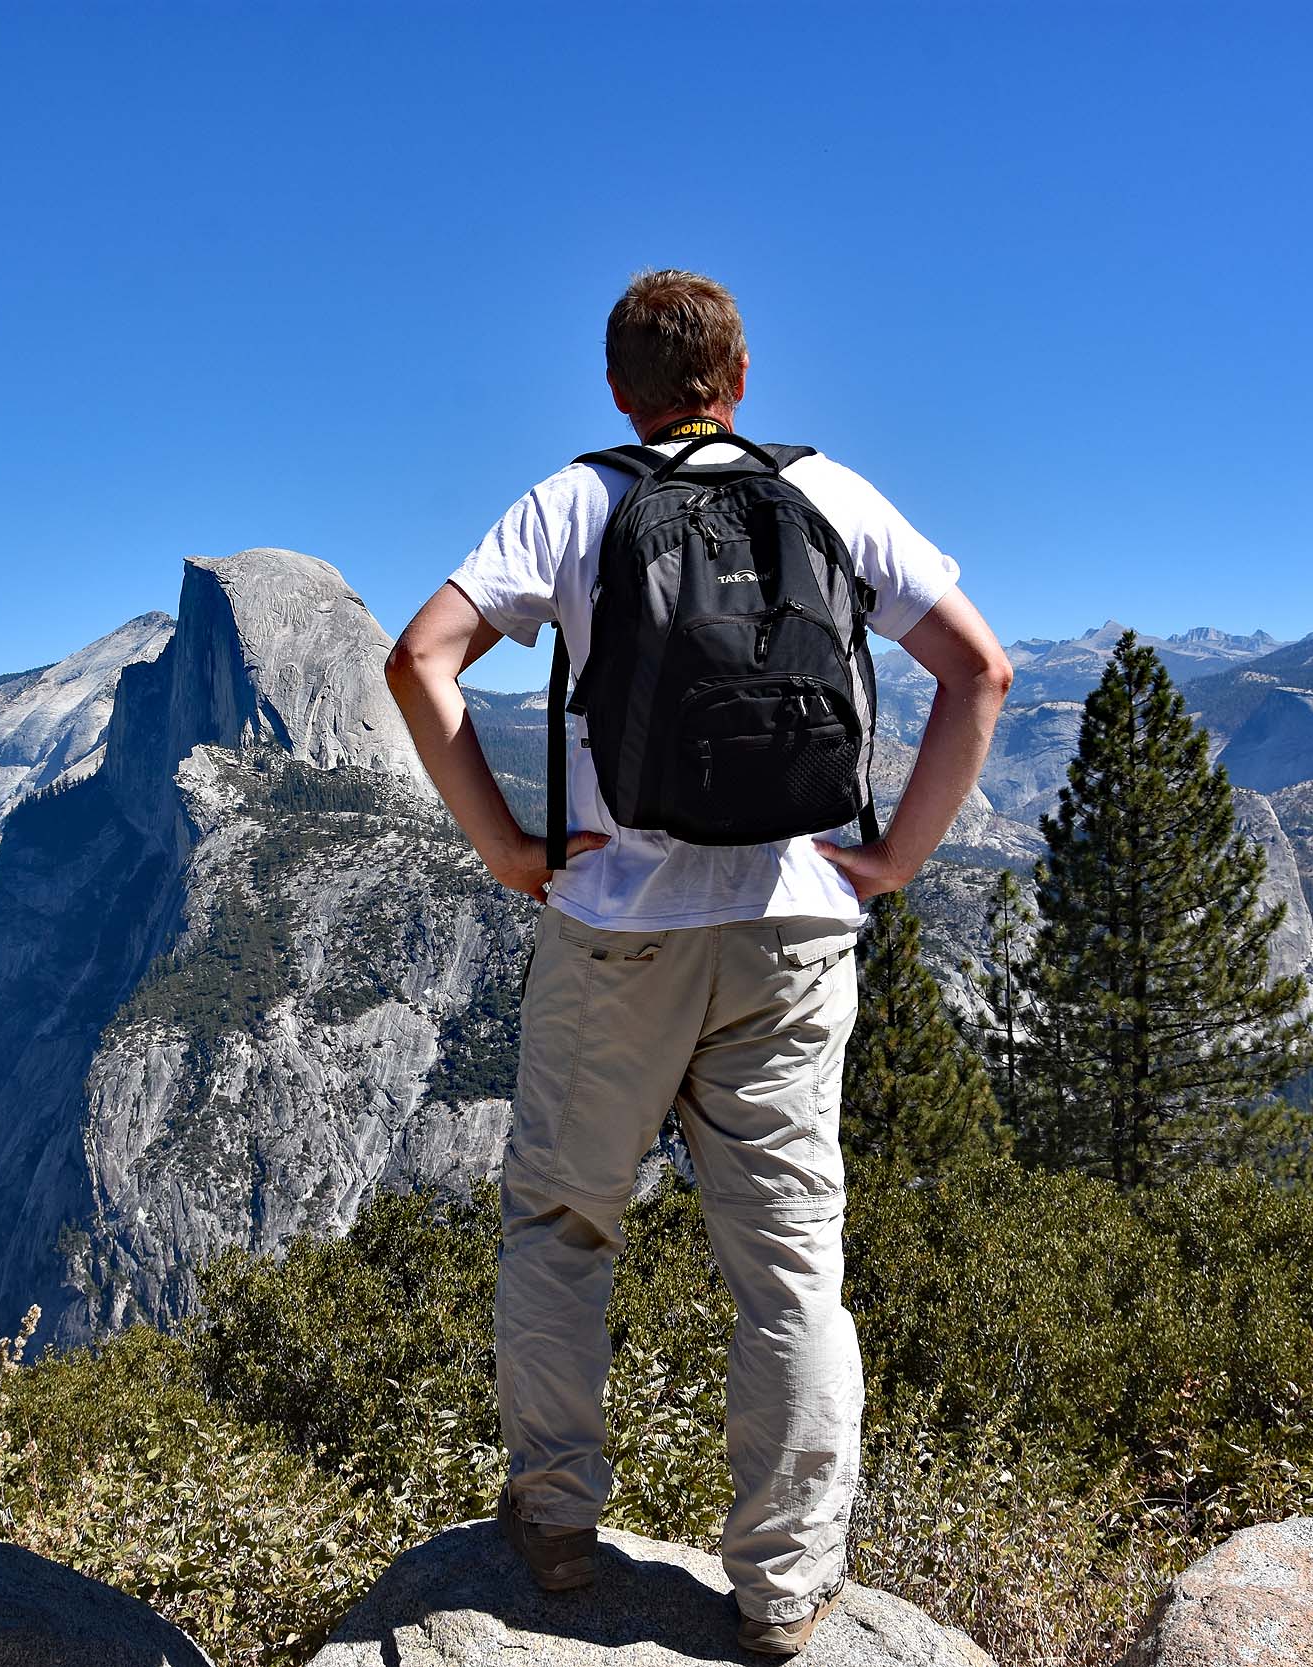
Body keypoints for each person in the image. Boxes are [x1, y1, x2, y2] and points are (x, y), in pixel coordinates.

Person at [383, 269, 1012, 1657]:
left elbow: (420, 660)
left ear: (619, 388)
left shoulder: (578, 500)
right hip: (795, 929)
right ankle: (785, 1588)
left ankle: (553, 1525)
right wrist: (896, 857)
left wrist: (504, 845)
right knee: (789, 1268)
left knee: (565, 1224)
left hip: (616, 928)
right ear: (739, 377)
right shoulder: (830, 494)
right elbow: (981, 673)